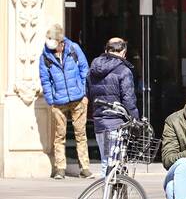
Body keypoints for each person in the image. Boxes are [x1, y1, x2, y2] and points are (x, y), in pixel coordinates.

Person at [38, 23, 90, 179]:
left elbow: (84, 69)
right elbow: (45, 80)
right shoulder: (45, 56)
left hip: (78, 98)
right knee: (59, 135)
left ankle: (85, 167)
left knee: (81, 134)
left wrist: (83, 92)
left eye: (56, 47)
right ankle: (60, 168)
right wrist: (50, 100)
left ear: (61, 42)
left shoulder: (73, 49)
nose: (54, 50)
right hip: (58, 102)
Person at [87, 37, 138, 176]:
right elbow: (128, 100)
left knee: (105, 161)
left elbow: (88, 93)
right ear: (123, 53)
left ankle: (106, 195)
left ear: (106, 50)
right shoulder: (124, 71)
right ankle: (111, 195)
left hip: (99, 121)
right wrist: (135, 120)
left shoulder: (93, 69)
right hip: (116, 123)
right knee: (115, 163)